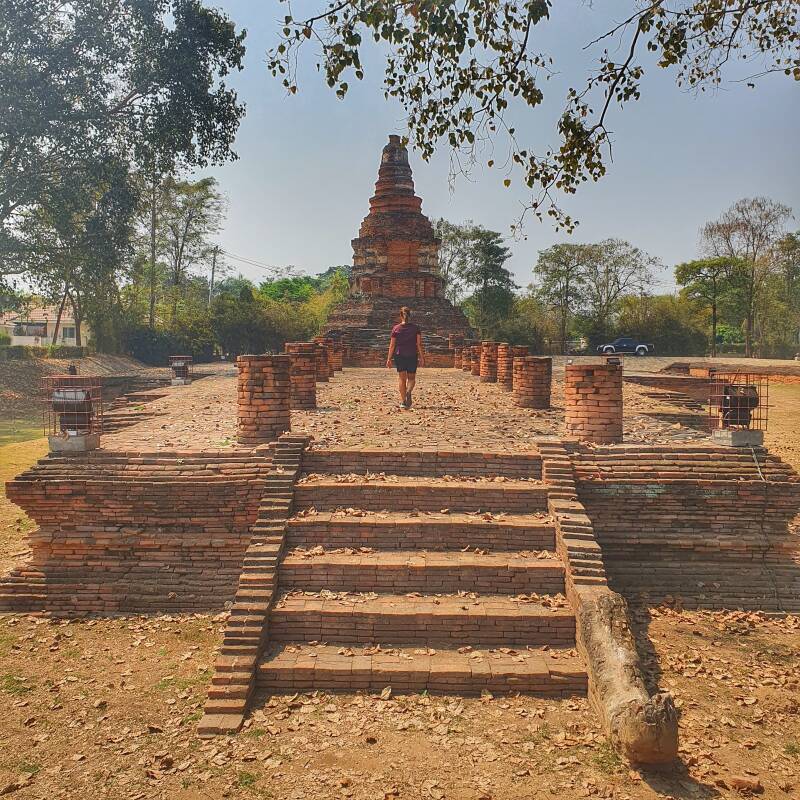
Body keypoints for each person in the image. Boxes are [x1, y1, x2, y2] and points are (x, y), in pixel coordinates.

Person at [386, 306, 425, 409]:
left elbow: (392, 345)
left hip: (399, 355)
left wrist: (389, 359)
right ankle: (408, 391)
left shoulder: (396, 328)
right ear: (410, 315)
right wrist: (422, 357)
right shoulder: (415, 328)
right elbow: (419, 344)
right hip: (412, 355)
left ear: (400, 316)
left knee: (402, 379)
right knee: (411, 378)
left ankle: (403, 402)